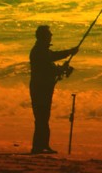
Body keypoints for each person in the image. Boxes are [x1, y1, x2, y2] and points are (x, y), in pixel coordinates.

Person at [29, 25, 79, 154]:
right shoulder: (39, 51)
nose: (51, 36)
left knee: (43, 118)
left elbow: (50, 64)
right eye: (49, 34)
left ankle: (42, 146)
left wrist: (62, 67)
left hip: (43, 87)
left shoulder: (41, 50)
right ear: (44, 37)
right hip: (40, 88)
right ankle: (38, 147)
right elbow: (51, 59)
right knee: (42, 118)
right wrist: (70, 52)